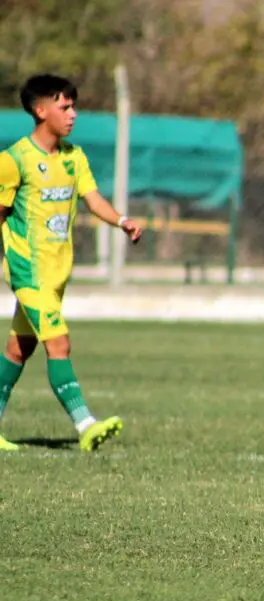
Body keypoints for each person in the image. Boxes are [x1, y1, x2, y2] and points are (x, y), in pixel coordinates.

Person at [0, 75, 142, 452]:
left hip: (57, 274)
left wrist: (121, 220)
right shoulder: (14, 161)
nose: (73, 114)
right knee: (58, 343)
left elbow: (93, 199)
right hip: (29, 273)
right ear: (39, 110)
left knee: (18, 350)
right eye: (64, 107)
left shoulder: (73, 156)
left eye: (73, 106)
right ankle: (86, 424)